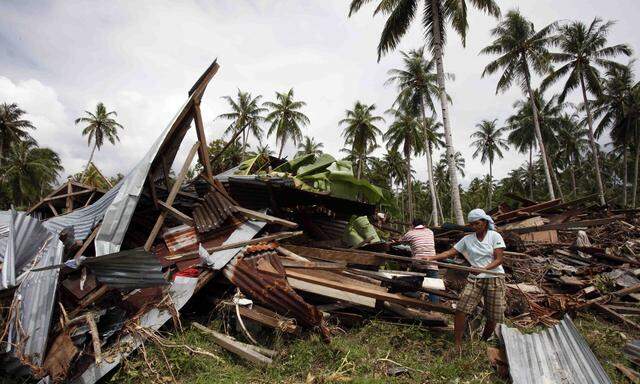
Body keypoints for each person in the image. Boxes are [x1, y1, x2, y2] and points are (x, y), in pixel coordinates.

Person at [427, 208, 506, 351]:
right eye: (472, 225)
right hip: (475, 279)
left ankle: (483, 340)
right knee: (462, 309)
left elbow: (499, 259)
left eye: (477, 224)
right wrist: (431, 258)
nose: (475, 227)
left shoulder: (494, 236)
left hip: (494, 278)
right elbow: (449, 253)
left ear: (485, 222)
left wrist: (484, 269)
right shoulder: (467, 239)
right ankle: (457, 344)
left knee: (493, 315)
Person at [400, 218, 439, 303]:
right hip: (432, 263)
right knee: (434, 286)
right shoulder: (430, 232)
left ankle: (416, 296)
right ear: (424, 225)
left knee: (411, 284)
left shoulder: (410, 233)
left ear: (413, 225)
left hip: (418, 263)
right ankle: (434, 307)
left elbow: (401, 242)